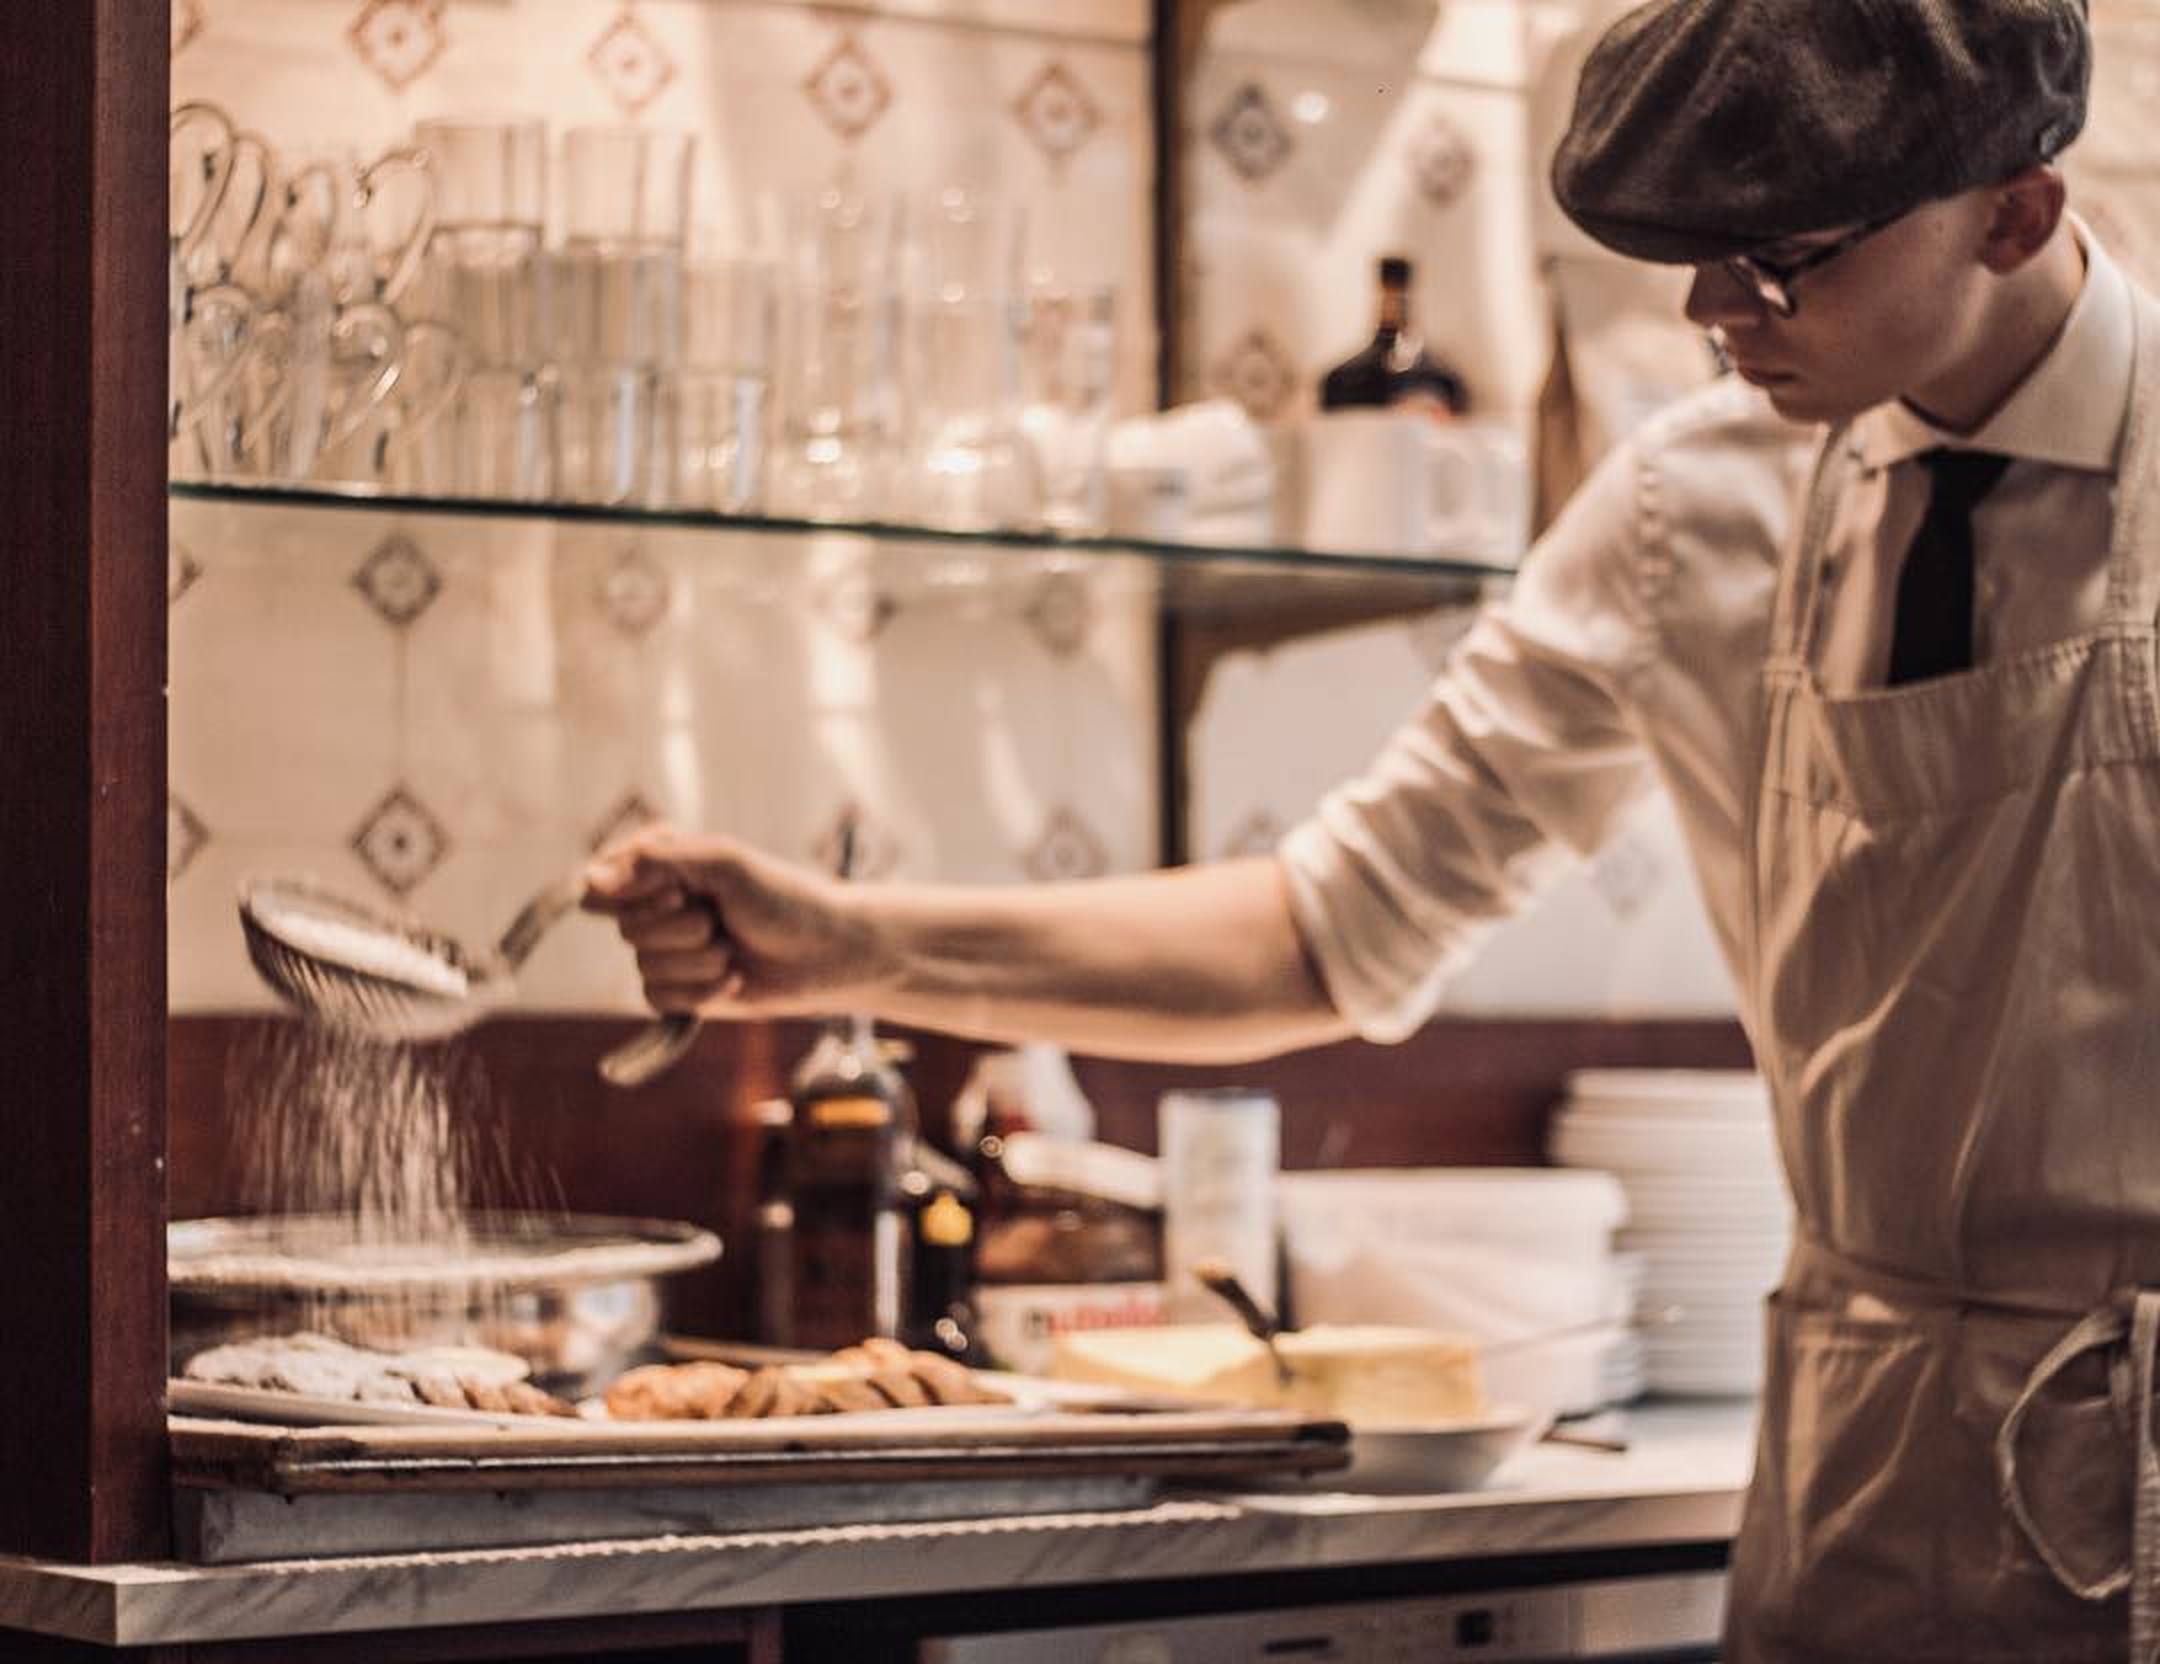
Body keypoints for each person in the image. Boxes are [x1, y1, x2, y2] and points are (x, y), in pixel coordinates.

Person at [587, 1, 2160, 1656]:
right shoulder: (1688, 513)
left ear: (2015, 211)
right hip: (1863, 1468)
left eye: (1778, 262)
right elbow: (1331, 926)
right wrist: (847, 946)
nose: (1713, 316)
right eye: (1690, 260)